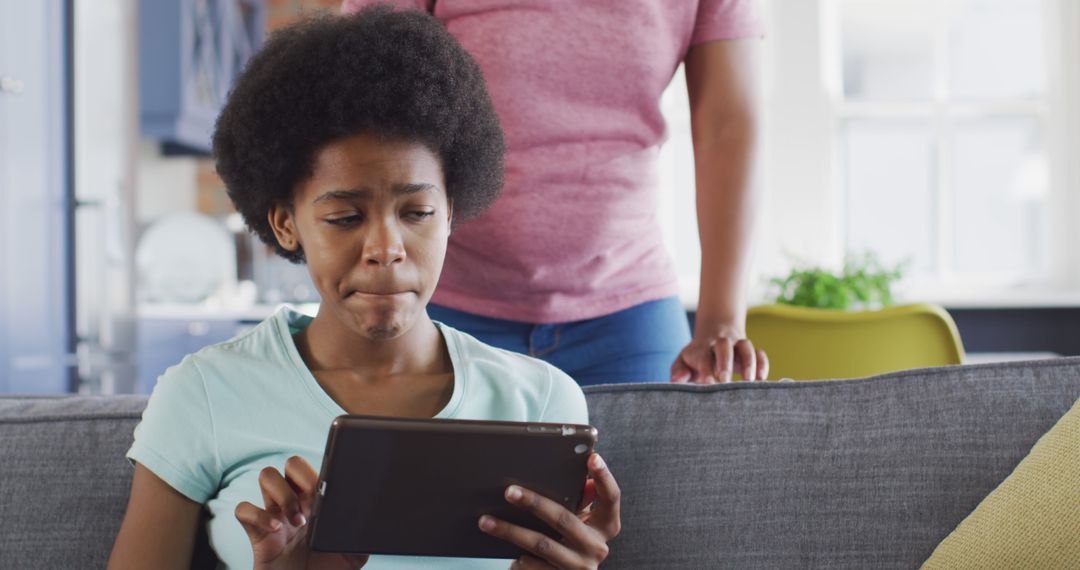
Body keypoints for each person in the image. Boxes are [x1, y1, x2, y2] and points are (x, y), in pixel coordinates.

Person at [108, 8, 621, 569]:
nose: (386, 247)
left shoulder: (542, 402)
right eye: (346, 217)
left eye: (417, 212)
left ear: (451, 211)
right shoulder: (203, 394)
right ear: (285, 223)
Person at [341, 0, 771, 386]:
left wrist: (721, 319)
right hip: (444, 304)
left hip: (627, 311)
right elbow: (366, 97)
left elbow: (725, 128)